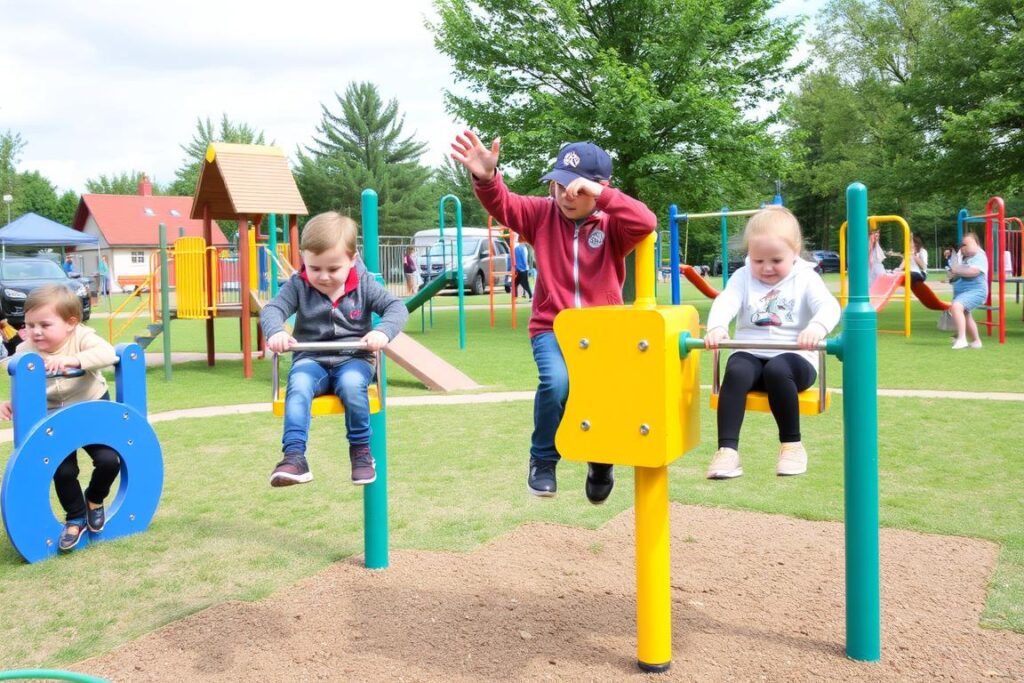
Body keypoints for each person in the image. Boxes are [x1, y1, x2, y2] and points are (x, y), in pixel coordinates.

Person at [451, 131, 657, 502]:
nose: (565, 195)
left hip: (602, 330)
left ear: (600, 189)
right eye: (559, 184)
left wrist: (605, 199)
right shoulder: (542, 215)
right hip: (552, 326)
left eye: (577, 188)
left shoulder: (613, 224)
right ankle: (543, 459)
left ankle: (601, 460)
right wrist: (486, 178)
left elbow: (646, 222)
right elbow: (505, 204)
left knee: (599, 395)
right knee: (556, 384)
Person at [260, 212, 409, 487]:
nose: (323, 277)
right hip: (312, 358)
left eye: (333, 269)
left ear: (352, 261)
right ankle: (294, 456)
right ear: (304, 258)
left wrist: (381, 332)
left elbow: (396, 307)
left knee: (353, 385)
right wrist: (277, 331)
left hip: (353, 358)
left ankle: (361, 452)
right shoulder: (298, 285)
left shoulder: (364, 285)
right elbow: (272, 309)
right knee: (299, 385)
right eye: (315, 268)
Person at [704, 206, 841, 480]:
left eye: (776, 260)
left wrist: (816, 327)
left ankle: (792, 446)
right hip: (752, 357)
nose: (766, 268)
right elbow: (726, 301)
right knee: (737, 369)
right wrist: (717, 326)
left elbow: (828, 306)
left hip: (795, 360)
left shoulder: (805, 277)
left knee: (777, 368)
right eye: (758, 260)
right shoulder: (743, 277)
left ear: (795, 251)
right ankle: (727, 452)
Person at [0, 284, 120, 551]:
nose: (36, 331)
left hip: (89, 407)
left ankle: (95, 498)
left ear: (70, 323)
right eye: (30, 325)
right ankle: (75, 517)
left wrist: (73, 361)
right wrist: (10, 402)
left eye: (44, 324)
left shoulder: (82, 336)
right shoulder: (26, 350)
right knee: (63, 470)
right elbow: (18, 376)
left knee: (109, 460)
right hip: (52, 414)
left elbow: (108, 354)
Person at [948, 232, 988, 350]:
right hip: (965, 291)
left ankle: (961, 339)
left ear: (976, 244)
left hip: (976, 290)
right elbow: (958, 274)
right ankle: (976, 341)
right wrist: (953, 275)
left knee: (956, 307)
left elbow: (974, 272)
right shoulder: (967, 258)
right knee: (966, 314)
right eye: (962, 245)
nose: (963, 247)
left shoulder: (979, 256)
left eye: (966, 244)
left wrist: (957, 271)